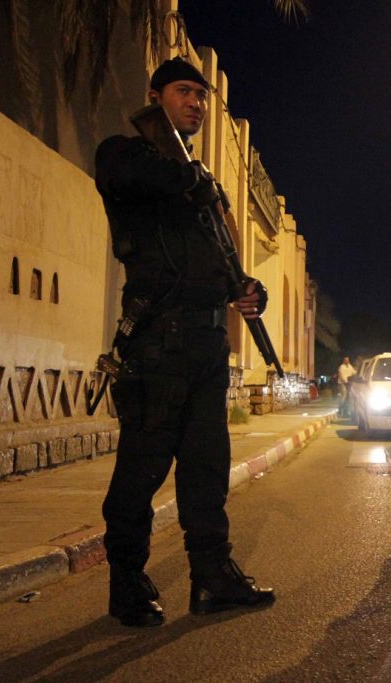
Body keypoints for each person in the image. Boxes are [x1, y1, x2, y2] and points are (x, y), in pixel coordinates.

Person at [94, 57, 274, 627]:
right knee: (140, 471)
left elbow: (227, 266)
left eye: (200, 93)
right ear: (156, 99)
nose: (196, 101)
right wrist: (194, 180)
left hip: (204, 344)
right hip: (155, 342)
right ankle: (127, 582)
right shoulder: (125, 155)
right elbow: (145, 180)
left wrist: (250, 291)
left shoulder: (202, 179)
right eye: (183, 91)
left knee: (206, 470)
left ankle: (212, 578)